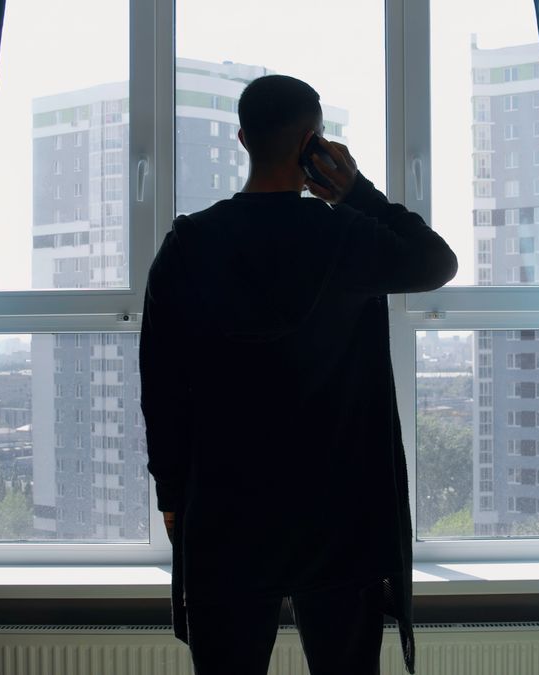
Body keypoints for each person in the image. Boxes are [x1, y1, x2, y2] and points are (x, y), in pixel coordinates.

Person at [140, 74, 457, 675]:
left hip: (228, 511)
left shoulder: (188, 245)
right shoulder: (343, 235)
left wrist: (173, 495)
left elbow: (160, 386)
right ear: (313, 143)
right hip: (339, 513)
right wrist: (355, 192)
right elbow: (437, 261)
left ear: (242, 139)